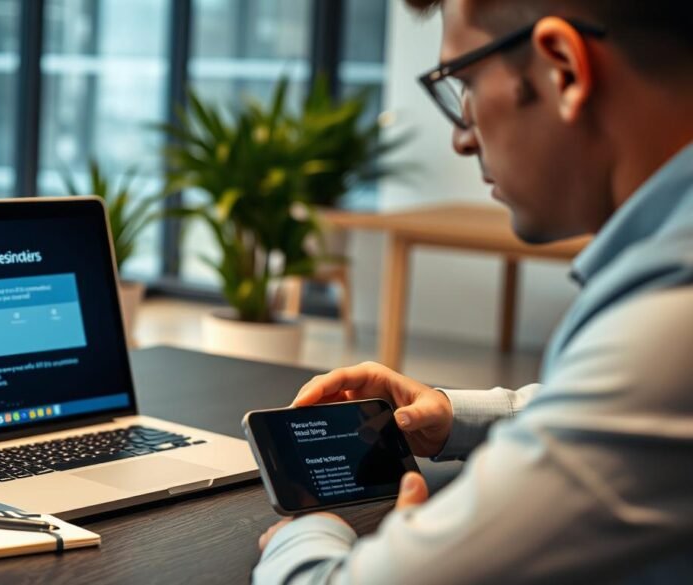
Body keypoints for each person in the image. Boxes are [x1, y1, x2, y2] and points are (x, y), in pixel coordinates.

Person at [253, 0, 693, 582]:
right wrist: (460, 415)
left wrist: (308, 529)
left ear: (562, 68)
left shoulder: (666, 324)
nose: (462, 139)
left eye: (464, 83)